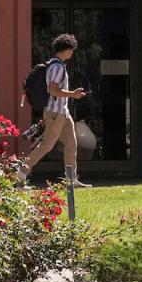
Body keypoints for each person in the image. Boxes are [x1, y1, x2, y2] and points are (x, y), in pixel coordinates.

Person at [20, 33, 91, 186]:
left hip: (62, 113)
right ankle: (21, 173)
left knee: (71, 144)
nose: (72, 52)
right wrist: (73, 94)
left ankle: (71, 179)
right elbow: (53, 90)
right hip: (55, 113)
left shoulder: (55, 64)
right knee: (46, 145)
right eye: (71, 49)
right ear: (66, 49)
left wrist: (72, 93)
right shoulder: (57, 67)